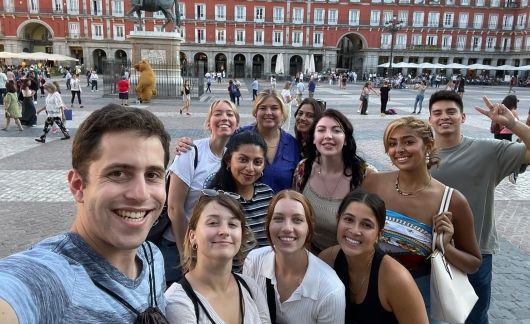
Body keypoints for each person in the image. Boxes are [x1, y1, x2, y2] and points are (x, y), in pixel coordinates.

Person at [0, 104, 171, 323]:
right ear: (78, 185)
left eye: (152, 175)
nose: (140, 194)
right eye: (118, 173)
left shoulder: (152, 256)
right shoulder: (53, 278)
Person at [362, 116, 481, 321]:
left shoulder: (451, 200)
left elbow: (473, 263)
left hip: (421, 295)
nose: (399, 149)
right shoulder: (373, 183)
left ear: (429, 145)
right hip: (372, 288)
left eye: (408, 142)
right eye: (392, 144)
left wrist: (446, 248)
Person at [428, 90, 530, 324]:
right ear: (430, 120)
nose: (445, 117)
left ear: (462, 117)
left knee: (474, 318)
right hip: (429, 250)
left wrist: (513, 124)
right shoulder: (419, 154)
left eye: (451, 112)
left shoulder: (490, 151)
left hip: (477, 250)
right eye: (438, 113)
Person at [319, 190, 429, 324]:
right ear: (338, 220)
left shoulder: (396, 279)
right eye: (348, 219)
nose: (354, 231)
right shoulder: (326, 261)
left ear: (379, 234)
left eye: (366, 225)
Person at [163, 99, 240, 286]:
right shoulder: (191, 151)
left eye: (230, 114)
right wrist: (186, 253)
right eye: (218, 113)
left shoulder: (235, 158)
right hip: (176, 245)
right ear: (208, 123)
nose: (224, 118)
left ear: (237, 124)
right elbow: (174, 208)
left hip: (212, 246)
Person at [164, 192, 271, 323]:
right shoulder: (177, 301)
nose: (224, 231)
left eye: (232, 224)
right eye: (213, 223)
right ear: (192, 236)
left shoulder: (251, 287)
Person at [244, 190, 345, 323]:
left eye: (297, 220)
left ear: (309, 227)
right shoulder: (253, 261)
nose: (287, 228)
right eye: (278, 218)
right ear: (268, 225)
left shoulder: (330, 290)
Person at [175, 90, 301, 193]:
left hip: (279, 217)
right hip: (240, 212)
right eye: (263, 108)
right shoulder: (239, 136)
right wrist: (186, 143)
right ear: (255, 112)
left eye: (274, 108)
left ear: (282, 113)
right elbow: (218, 139)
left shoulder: (293, 145)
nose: (268, 112)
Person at [292, 109, 373, 253]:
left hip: (349, 259)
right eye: (321, 130)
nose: (328, 136)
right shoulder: (303, 168)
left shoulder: (365, 174)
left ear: (346, 139)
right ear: (314, 138)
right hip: (311, 256)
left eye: (336, 130)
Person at [207, 131, 273, 248]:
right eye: (243, 160)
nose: (250, 168)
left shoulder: (267, 194)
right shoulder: (215, 198)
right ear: (228, 160)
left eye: (257, 162)